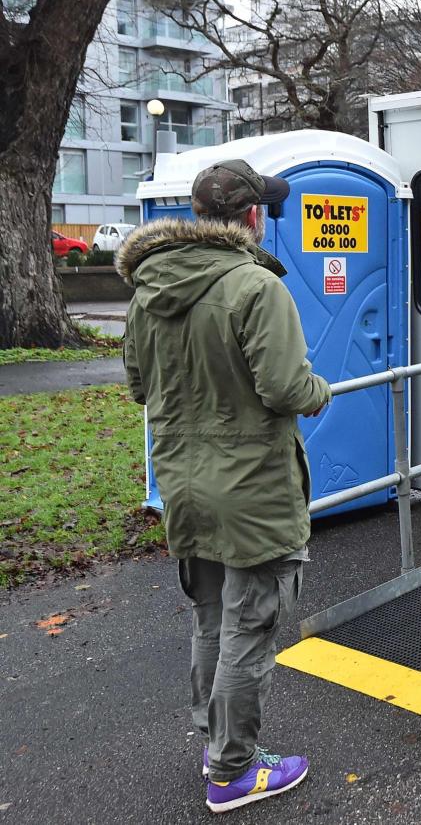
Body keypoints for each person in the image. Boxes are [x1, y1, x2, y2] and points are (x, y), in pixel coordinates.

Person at [119, 159, 329, 814]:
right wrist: (319, 389)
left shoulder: (148, 292)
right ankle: (232, 770)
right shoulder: (254, 287)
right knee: (251, 622)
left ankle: (214, 739)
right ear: (251, 217)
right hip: (253, 489)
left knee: (211, 616)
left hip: (184, 483)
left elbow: (138, 387)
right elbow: (285, 387)